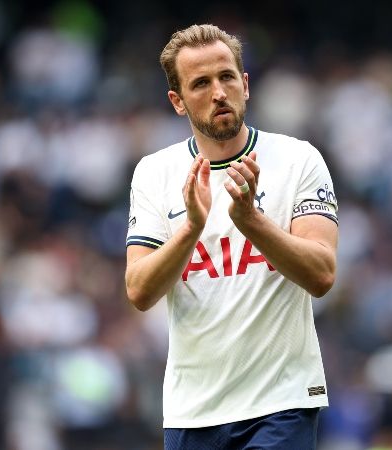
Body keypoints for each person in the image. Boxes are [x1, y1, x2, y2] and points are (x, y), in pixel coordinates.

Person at [125, 24, 339, 449]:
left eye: (226, 77)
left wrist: (251, 221)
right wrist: (191, 228)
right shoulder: (155, 173)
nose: (218, 92)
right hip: (193, 409)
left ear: (245, 84)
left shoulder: (298, 159)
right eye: (200, 83)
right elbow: (139, 290)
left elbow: (322, 274)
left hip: (282, 402)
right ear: (178, 102)